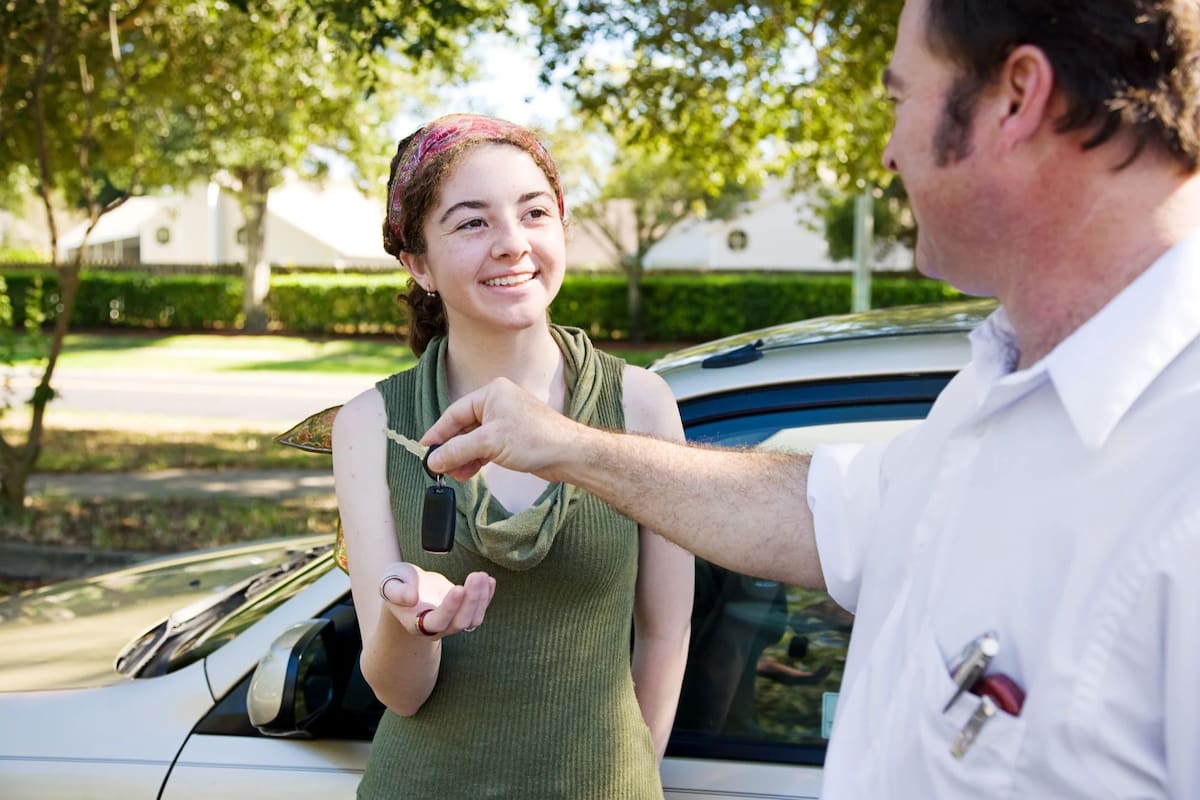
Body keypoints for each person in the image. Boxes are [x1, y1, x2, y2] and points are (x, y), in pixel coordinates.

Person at [421, 1, 1200, 797]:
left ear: (1015, 97)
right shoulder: (1001, 386)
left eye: (900, 99)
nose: (890, 152)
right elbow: (830, 515)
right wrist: (571, 445)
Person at [331, 113, 693, 800]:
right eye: (472, 223)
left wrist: (631, 776)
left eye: (534, 213)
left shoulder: (642, 405)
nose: (512, 244)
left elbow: (665, 633)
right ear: (418, 264)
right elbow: (398, 693)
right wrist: (415, 627)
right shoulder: (372, 424)